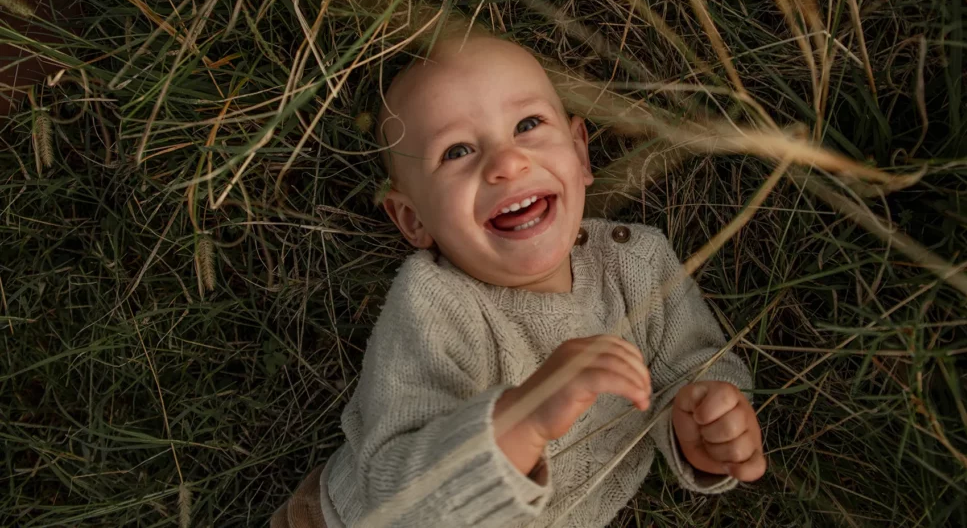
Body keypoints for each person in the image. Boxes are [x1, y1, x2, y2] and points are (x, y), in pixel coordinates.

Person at [272, 34, 765, 528]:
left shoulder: (637, 263)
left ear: (580, 154)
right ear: (413, 219)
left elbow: (692, 364)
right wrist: (524, 416)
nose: (507, 163)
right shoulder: (433, 308)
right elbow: (401, 494)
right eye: (457, 151)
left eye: (527, 125)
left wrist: (706, 418)